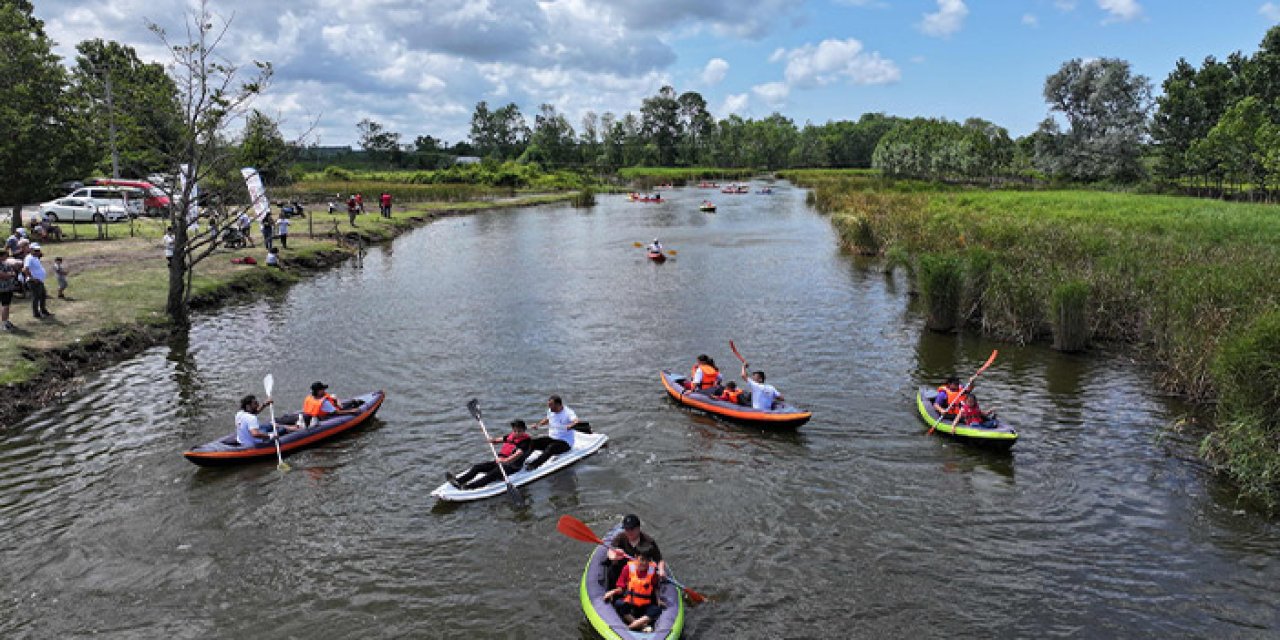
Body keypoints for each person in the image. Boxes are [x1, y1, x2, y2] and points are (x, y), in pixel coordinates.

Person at [446, 419, 533, 490]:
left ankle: (467, 487)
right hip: (501, 462)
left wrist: (505, 460)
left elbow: (517, 455)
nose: (517, 433)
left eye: (519, 431)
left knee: (491, 474)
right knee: (477, 467)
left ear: (524, 430)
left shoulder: (525, 441)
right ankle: (459, 481)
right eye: (515, 431)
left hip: (512, 467)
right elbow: (501, 439)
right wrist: (493, 440)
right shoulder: (512, 436)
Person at [604, 546, 663, 633]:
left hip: (645, 605)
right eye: (642, 559)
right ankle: (642, 626)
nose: (644, 563)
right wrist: (612, 592)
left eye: (647, 560)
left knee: (657, 610)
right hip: (630, 603)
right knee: (619, 604)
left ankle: (631, 626)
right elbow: (621, 588)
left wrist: (658, 600)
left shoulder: (652, 571)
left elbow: (655, 587)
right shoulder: (627, 568)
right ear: (636, 557)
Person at [606, 514, 667, 589]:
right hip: (622, 568)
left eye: (632, 529)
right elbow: (610, 550)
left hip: (641, 569)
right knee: (612, 567)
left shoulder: (649, 541)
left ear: (638, 528)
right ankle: (613, 591)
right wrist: (614, 556)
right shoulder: (621, 537)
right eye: (627, 529)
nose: (629, 532)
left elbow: (659, 559)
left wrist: (661, 570)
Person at [524, 394, 578, 471]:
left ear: (559, 405)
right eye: (549, 406)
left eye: (552, 406)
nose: (550, 409)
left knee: (550, 448)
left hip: (565, 442)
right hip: (551, 438)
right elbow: (547, 419)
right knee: (533, 442)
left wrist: (571, 425)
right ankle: (520, 461)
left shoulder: (568, 412)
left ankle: (533, 466)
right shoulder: (551, 410)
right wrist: (538, 425)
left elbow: (576, 421)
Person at [23, 243, 49, 319]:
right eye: (36, 250)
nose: (38, 251)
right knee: (36, 297)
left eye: (38, 250)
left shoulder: (35, 257)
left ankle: (43, 310)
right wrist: (32, 278)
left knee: (43, 295)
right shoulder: (29, 258)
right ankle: (36, 313)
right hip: (34, 282)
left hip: (39, 280)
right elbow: (25, 269)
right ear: (31, 250)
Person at [0, 257, 18, 331]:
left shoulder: (4, 264)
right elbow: (2, 276)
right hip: (2, 289)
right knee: (5, 306)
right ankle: (4, 324)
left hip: (8, 288)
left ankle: (6, 321)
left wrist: (10, 274)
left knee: (6, 306)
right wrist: (10, 275)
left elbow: (13, 272)